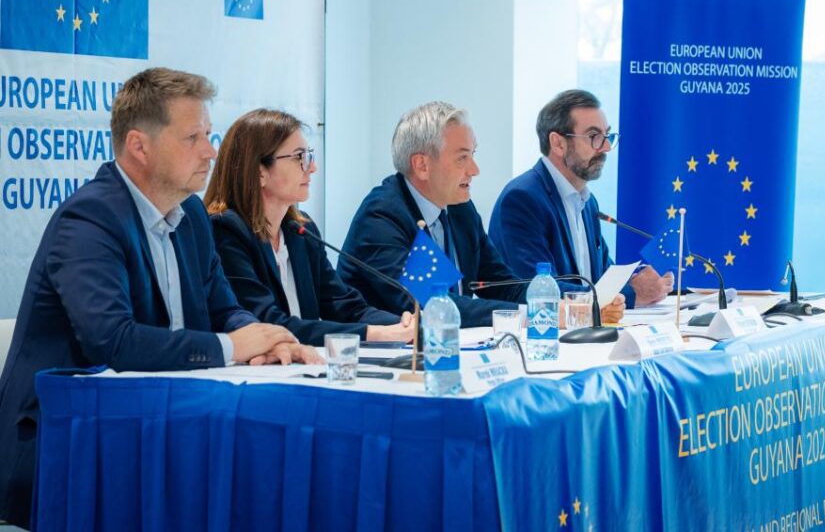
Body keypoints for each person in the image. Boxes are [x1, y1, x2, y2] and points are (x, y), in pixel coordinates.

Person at [0, 68, 319, 528]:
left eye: (208, 134)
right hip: (67, 448)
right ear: (139, 146)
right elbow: (113, 342)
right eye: (193, 137)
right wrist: (233, 346)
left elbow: (224, 308)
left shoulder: (191, 214)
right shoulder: (89, 219)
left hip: (157, 429)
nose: (211, 151)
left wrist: (267, 340)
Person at [339, 101, 625, 328]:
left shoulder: (459, 209)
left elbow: (503, 285)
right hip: (385, 363)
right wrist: (539, 315)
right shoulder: (383, 218)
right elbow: (438, 305)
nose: (474, 170)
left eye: (473, 155)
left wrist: (579, 302)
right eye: (462, 158)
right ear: (422, 165)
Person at [205, 109, 415, 345]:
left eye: (309, 156)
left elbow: (344, 306)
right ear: (259, 171)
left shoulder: (301, 231)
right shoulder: (225, 231)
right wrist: (375, 334)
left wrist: (404, 325)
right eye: (299, 157)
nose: (312, 167)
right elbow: (268, 323)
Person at [489, 89, 673, 308]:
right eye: (594, 137)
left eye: (607, 136)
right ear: (558, 144)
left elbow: (602, 279)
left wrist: (644, 282)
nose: (606, 148)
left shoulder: (588, 202)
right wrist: (633, 293)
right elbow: (537, 289)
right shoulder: (522, 199)